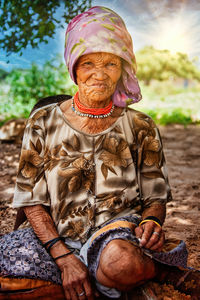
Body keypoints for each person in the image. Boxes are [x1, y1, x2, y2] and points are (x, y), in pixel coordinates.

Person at [0, 6, 199, 300]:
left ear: (123, 68)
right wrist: (63, 257)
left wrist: (151, 222)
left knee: (120, 262)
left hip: (117, 233)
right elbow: (30, 199)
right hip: (53, 237)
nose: (99, 74)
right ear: (73, 66)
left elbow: (155, 198)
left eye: (110, 64)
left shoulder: (141, 125)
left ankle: (132, 273)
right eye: (89, 63)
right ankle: (109, 284)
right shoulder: (42, 121)